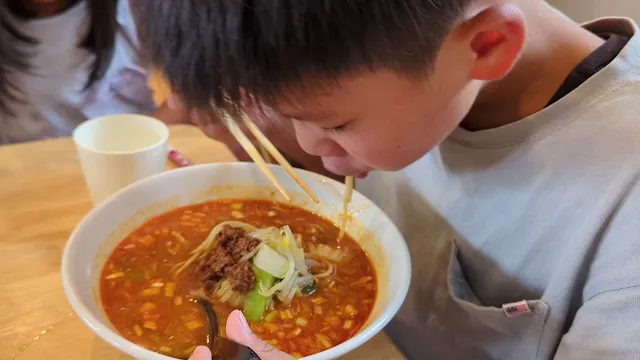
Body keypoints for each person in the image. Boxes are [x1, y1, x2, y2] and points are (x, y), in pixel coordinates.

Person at [136, 0, 640, 359]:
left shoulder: (624, 213)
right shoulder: (406, 72)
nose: (310, 144)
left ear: (487, 46)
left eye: (334, 125)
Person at [0, 0, 187, 144]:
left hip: (124, 158)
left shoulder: (134, 8)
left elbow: (193, 92)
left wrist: (140, 141)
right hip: (23, 166)